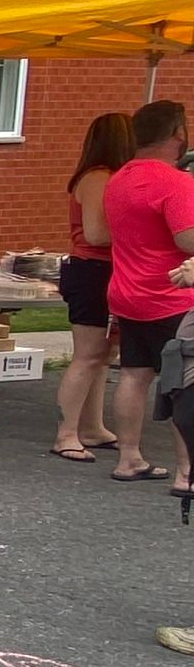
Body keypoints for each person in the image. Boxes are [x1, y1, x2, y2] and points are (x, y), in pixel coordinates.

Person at [103, 99, 194, 487]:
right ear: (177, 134)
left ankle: (129, 457)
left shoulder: (118, 178)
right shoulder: (176, 182)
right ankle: (186, 471)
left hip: (128, 291)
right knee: (183, 384)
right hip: (173, 293)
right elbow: (187, 239)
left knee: (133, 375)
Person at [50, 113, 133, 463]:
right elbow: (97, 234)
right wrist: (139, 235)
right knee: (87, 355)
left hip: (105, 270)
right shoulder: (98, 177)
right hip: (92, 269)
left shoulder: (106, 176)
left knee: (102, 355)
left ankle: (93, 425)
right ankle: (66, 432)